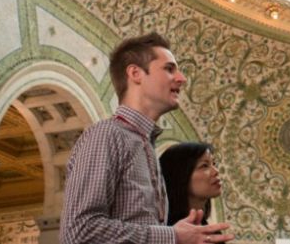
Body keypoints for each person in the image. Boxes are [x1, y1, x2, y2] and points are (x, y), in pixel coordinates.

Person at [61, 33, 235, 244]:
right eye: (169, 69)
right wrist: (172, 236)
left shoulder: (145, 147)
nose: (181, 78)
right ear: (135, 73)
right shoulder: (106, 136)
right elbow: (79, 230)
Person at [160, 142, 223, 226]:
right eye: (204, 166)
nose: (216, 171)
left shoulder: (212, 231)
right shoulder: (170, 233)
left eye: (214, 163)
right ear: (180, 176)